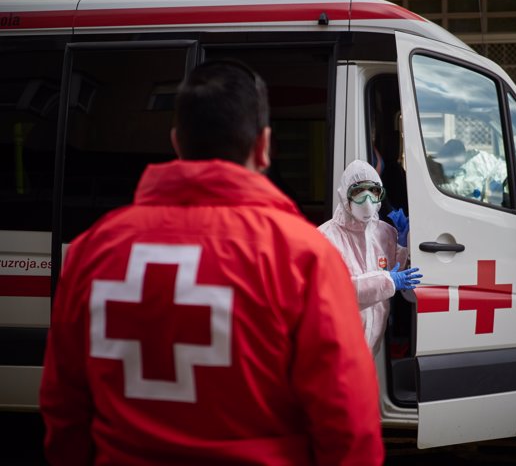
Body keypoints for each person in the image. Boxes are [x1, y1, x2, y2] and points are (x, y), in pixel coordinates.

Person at [40, 61, 384, 466]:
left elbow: (64, 413)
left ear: (176, 143)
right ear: (264, 146)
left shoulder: (90, 253)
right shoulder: (305, 257)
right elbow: (348, 428)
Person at [318, 160, 422, 356]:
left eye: (373, 191)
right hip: (334, 350)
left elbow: (394, 273)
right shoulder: (324, 238)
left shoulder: (385, 233)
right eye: (358, 191)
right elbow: (335, 292)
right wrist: (388, 281)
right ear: (345, 195)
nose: (367, 198)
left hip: (370, 347)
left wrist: (404, 247)